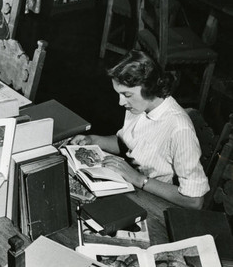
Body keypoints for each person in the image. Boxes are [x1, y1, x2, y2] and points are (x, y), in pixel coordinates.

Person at [70, 50, 209, 209]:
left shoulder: (179, 128)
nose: (121, 102)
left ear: (148, 87)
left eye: (127, 95)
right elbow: (128, 143)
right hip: (132, 188)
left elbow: (195, 200)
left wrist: (137, 178)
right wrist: (93, 140)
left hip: (157, 203)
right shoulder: (139, 107)